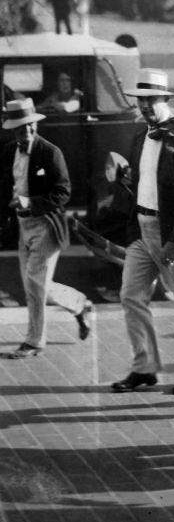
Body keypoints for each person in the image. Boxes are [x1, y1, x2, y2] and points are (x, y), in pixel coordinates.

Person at [110, 69, 174, 394]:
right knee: (130, 295)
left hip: (172, 235)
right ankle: (145, 368)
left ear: (164, 100)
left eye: (151, 100)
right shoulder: (141, 137)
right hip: (142, 232)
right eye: (140, 101)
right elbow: (145, 183)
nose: (144, 107)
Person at [0, 98, 93, 358]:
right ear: (13, 130)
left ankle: (34, 341)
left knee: (35, 283)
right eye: (20, 128)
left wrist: (31, 202)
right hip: (22, 226)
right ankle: (79, 304)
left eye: (30, 126)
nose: (27, 132)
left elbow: (63, 193)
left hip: (46, 226)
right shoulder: (9, 152)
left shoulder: (50, 152)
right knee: (33, 285)